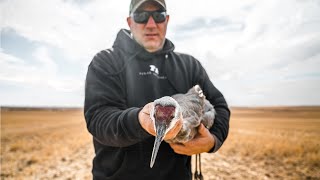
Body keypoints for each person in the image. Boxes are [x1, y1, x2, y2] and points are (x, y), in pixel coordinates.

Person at [84, 0, 230, 179]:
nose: (151, 24)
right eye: (141, 16)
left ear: (167, 20)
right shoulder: (106, 61)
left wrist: (212, 141)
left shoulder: (189, 66)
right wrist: (140, 121)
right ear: (130, 22)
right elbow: (98, 119)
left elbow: (219, 105)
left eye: (158, 16)